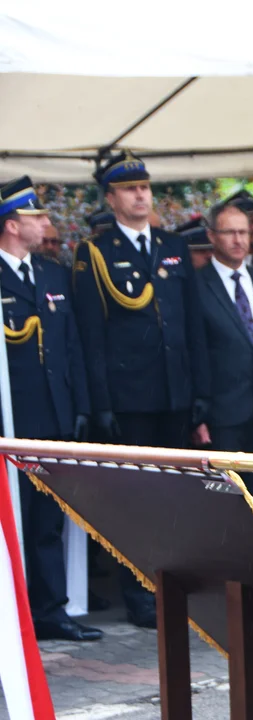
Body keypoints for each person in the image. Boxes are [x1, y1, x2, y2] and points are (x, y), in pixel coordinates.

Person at [72, 151, 211, 629]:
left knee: (174, 495)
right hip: (129, 399)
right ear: (111, 198)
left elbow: (192, 326)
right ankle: (139, 593)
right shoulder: (95, 252)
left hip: (174, 394)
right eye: (130, 189)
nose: (140, 195)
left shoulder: (171, 246)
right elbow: (92, 335)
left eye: (145, 187)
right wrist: (101, 403)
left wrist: (200, 391)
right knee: (136, 499)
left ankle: (171, 585)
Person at [0, 177, 102, 643]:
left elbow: (72, 348)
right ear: (11, 225)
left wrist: (80, 406)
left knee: (47, 521)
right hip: (11, 420)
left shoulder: (52, 275)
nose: (47, 223)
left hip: (54, 419)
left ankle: (50, 610)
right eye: (36, 217)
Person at [195, 202, 253, 508]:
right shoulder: (196, 285)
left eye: (244, 232)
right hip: (222, 413)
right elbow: (195, 352)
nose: (238, 240)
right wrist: (198, 415)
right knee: (225, 500)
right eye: (230, 233)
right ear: (212, 236)